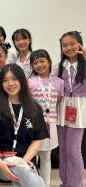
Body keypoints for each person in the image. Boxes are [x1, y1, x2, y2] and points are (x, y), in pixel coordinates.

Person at [0, 63, 48, 187]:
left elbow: (37, 140)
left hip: (25, 161)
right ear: (1, 84)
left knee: (22, 173)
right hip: (1, 161)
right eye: (5, 80)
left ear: (22, 81)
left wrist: (24, 161)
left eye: (14, 79)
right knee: (27, 176)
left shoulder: (35, 108)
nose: (10, 84)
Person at [28, 49, 64, 187]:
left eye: (42, 61)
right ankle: (32, 183)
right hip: (34, 123)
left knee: (46, 156)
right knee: (32, 155)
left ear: (49, 62)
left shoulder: (59, 82)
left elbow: (58, 99)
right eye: (35, 63)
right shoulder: (29, 81)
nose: (39, 65)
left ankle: (45, 184)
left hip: (51, 123)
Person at [57, 31, 86, 187]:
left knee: (74, 150)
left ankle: (76, 184)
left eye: (72, 44)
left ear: (80, 44)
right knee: (63, 149)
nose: (68, 48)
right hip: (63, 108)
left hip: (79, 109)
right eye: (64, 45)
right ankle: (65, 182)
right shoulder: (61, 66)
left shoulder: (85, 64)